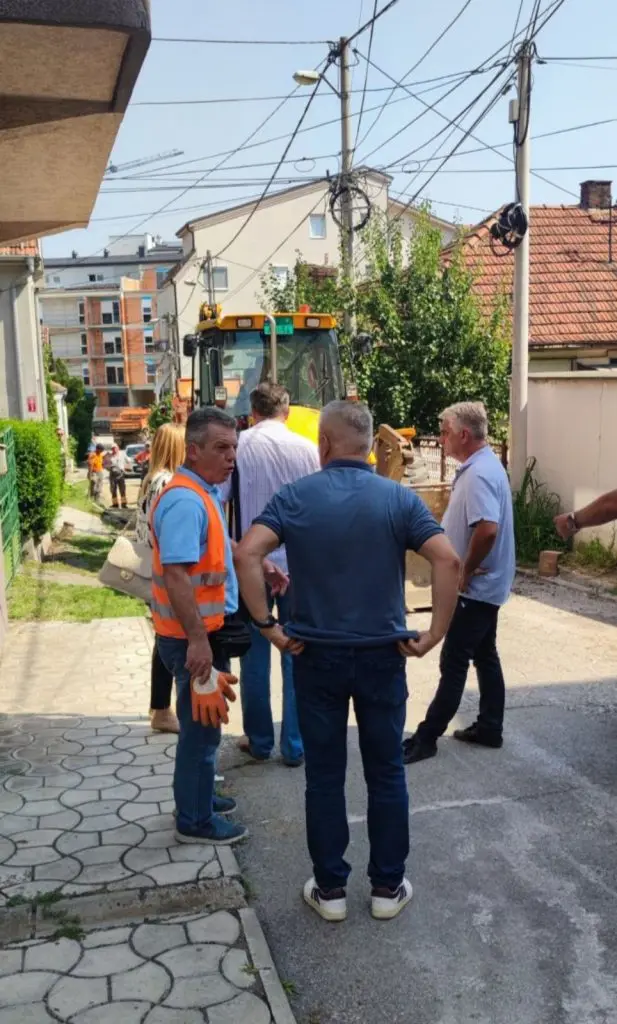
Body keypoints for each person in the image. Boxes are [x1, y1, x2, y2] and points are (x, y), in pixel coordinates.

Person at [234, 401, 460, 922]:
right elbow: (447, 559)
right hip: (383, 656)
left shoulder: (295, 497)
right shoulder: (398, 499)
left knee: (324, 776)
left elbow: (247, 554)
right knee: (386, 773)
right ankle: (387, 888)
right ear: (368, 446)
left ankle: (331, 890)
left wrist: (268, 626)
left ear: (325, 444)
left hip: (316, 657)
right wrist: (435, 634)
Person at [151, 406, 286, 846]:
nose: (231, 457)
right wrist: (197, 641)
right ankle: (195, 821)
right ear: (193, 450)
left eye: (234, 448)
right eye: (221, 448)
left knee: (205, 724)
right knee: (202, 731)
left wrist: (260, 563)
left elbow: (215, 543)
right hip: (193, 638)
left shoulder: (201, 492)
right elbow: (176, 574)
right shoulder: (185, 500)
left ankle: (199, 799)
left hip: (204, 632)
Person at [403, 402, 515, 766]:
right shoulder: (484, 466)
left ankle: (427, 737)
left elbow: (488, 528)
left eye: (445, 432)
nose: (441, 438)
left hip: (475, 590)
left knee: (454, 662)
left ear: (464, 434)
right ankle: (490, 727)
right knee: (485, 655)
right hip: (487, 586)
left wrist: (464, 569)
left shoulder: (479, 473)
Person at [220, 382, 320, 767]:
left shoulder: (239, 447)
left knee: (254, 652)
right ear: (287, 411)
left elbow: (220, 504)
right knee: (297, 650)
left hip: (252, 565)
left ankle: (260, 741)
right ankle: (295, 744)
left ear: (253, 412)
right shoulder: (308, 449)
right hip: (298, 566)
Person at [135, 423, 186, 735]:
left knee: (162, 637)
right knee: (166, 640)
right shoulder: (167, 482)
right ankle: (162, 709)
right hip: (163, 572)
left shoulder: (150, 479)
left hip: (152, 569)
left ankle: (159, 706)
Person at [105, 444, 128, 509]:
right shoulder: (109, 456)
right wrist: (108, 468)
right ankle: (115, 504)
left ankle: (124, 504)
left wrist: (125, 468)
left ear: (118, 448)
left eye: (115, 448)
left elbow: (128, 461)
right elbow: (105, 464)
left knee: (122, 489)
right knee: (113, 490)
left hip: (121, 474)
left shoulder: (122, 455)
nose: (114, 450)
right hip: (112, 475)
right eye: (112, 448)